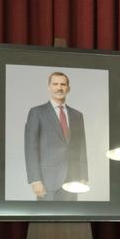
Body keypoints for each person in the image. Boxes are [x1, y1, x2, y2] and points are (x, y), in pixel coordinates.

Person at [24, 71, 88, 200]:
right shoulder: (37, 112)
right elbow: (31, 148)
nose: (59, 88)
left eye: (63, 84)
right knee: (45, 219)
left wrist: (83, 176)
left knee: (72, 219)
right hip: (47, 182)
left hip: (72, 181)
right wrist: (35, 180)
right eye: (55, 84)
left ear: (68, 88)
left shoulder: (77, 115)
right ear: (49, 87)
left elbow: (81, 147)